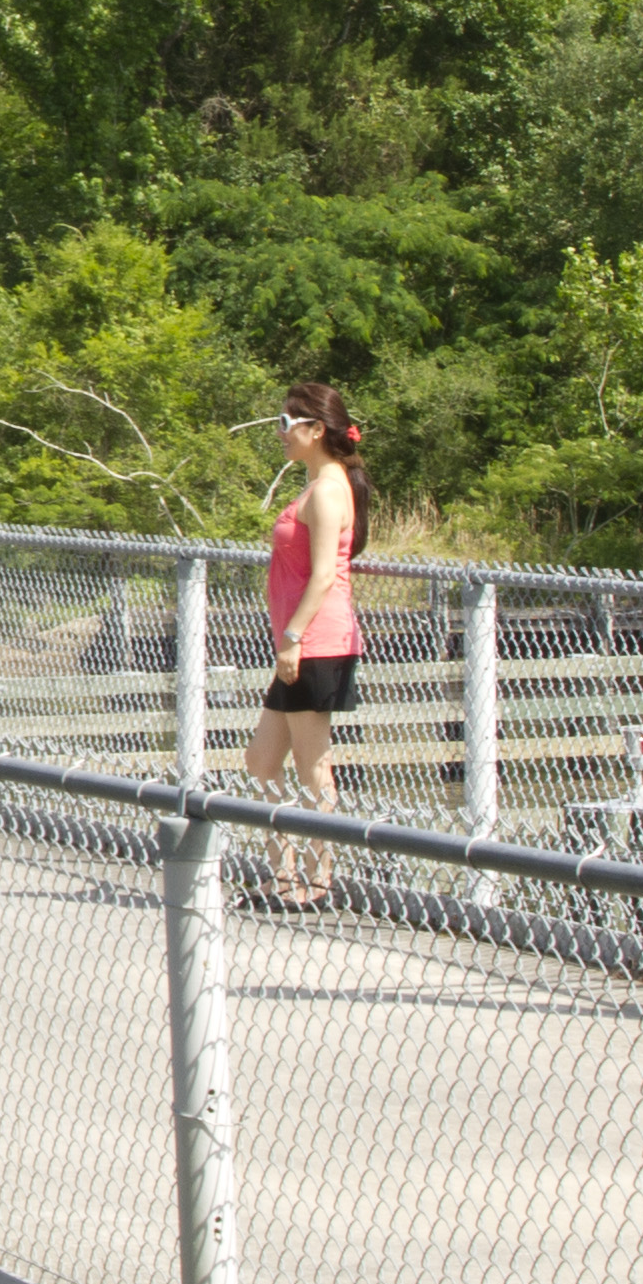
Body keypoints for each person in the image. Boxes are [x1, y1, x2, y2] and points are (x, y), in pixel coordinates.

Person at [250, 383, 369, 907]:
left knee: (312, 765)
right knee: (261, 761)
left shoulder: (326, 489)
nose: (280, 433)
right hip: (298, 644)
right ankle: (283, 879)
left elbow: (323, 575)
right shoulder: (317, 483)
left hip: (315, 642)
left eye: (286, 422)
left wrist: (293, 638)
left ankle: (318, 885)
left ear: (315, 430)